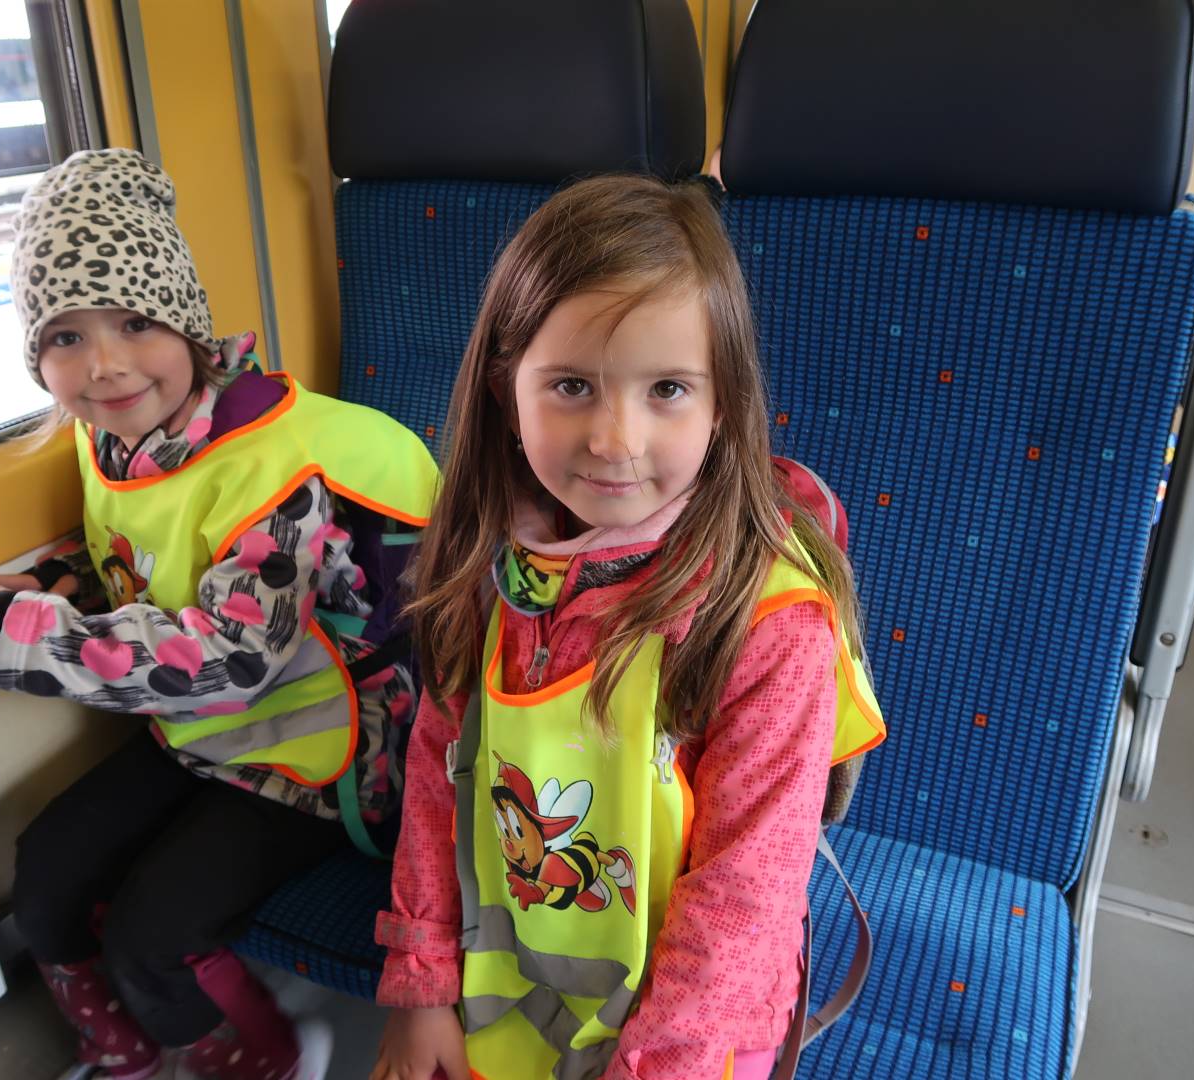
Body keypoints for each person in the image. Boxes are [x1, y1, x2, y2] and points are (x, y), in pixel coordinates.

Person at [0, 148, 438, 1080]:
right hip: (196, 731)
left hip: (320, 753)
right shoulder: (111, 441)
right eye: (65, 338)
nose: (104, 365)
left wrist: (12, 635)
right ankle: (124, 1050)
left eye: (135, 323)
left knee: (151, 932)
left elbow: (230, 659)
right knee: (44, 872)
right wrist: (63, 583)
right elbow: (151, 559)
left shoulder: (281, 473)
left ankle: (264, 1058)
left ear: (188, 324)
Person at [368, 174, 885, 1080]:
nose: (615, 440)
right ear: (505, 392)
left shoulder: (766, 621)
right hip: (514, 985)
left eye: (667, 389)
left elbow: (743, 896)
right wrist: (421, 983)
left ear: (723, 404)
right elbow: (440, 779)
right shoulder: (486, 573)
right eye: (571, 385)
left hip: (690, 1032)